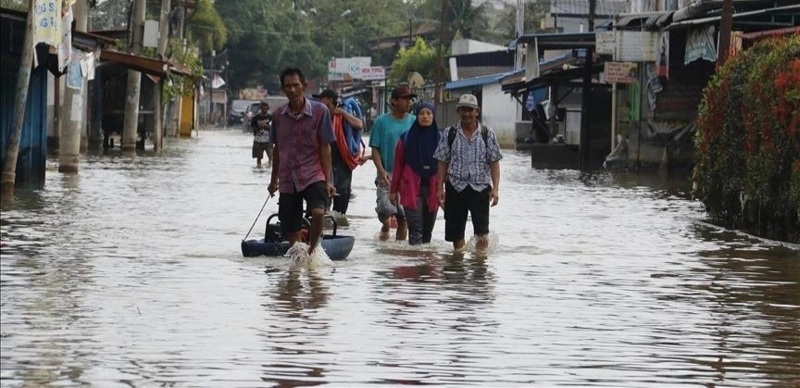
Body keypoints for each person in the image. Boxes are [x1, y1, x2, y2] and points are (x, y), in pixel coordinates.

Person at [268, 68, 337, 255]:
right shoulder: (278, 116)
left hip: (313, 173)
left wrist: (328, 180)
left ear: (304, 86)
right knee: (291, 227)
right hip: (288, 177)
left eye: (296, 85)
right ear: (283, 89)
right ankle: (297, 260)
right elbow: (277, 150)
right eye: (288, 86)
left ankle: (312, 251)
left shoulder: (320, 111)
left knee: (318, 212)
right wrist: (273, 181)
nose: (292, 90)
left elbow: (325, 147)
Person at [433, 94, 502, 251]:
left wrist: (496, 189)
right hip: (455, 187)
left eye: (470, 110)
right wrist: (439, 188)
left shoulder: (487, 133)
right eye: (463, 110)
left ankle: (479, 263)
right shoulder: (450, 133)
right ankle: (458, 263)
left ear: (476, 111)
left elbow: (494, 163)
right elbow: (442, 162)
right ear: (458, 111)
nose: (466, 114)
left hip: (480, 188)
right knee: (456, 236)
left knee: (482, 235)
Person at [389, 102, 441, 245]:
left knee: (427, 234)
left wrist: (445, 190)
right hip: (410, 189)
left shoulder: (441, 139)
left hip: (433, 190)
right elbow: (398, 167)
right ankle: (415, 258)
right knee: (415, 231)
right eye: (421, 113)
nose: (425, 117)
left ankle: (425, 259)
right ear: (416, 116)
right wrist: (393, 191)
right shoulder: (406, 139)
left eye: (428, 113)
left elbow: (446, 166)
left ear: (433, 116)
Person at [369, 84, 417, 241]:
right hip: (386, 173)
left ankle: (398, 250)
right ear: (394, 101)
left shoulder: (414, 122)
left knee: (403, 216)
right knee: (385, 209)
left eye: (410, 99)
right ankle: (385, 224)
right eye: (405, 99)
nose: (408, 102)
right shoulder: (380, 122)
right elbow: (375, 149)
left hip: (406, 175)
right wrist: (381, 171)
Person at [312, 89, 364, 217]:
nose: (319, 101)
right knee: (322, 202)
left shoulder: (341, 115)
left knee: (341, 203)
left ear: (330, 100)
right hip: (323, 163)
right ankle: (323, 224)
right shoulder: (318, 116)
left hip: (342, 162)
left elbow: (359, 125)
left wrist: (342, 113)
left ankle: (338, 225)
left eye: (322, 98)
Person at [250, 100, 273, 167]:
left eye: (266, 109)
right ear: (260, 108)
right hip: (258, 140)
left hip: (268, 141)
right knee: (259, 158)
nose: (264, 110)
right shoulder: (256, 118)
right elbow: (253, 128)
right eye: (263, 108)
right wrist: (257, 130)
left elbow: (273, 128)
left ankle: (269, 168)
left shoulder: (270, 117)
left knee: (271, 156)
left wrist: (266, 126)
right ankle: (259, 168)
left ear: (268, 109)